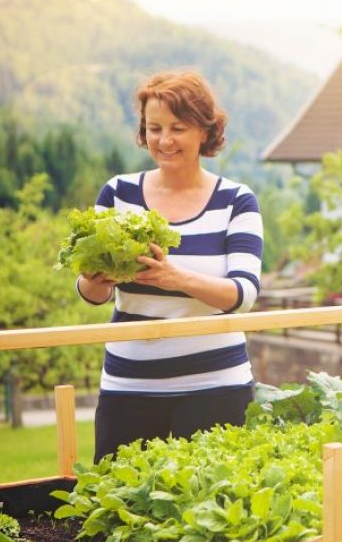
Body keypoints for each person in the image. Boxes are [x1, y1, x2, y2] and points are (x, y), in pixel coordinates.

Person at [76, 70, 263, 462]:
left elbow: (243, 295)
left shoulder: (236, 201)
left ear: (204, 131)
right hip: (129, 385)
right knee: (118, 507)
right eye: (154, 127)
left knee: (209, 511)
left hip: (217, 386)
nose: (164, 140)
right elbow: (93, 294)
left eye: (178, 128)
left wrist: (174, 277)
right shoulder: (118, 193)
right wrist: (94, 280)